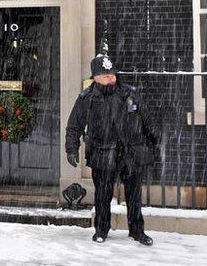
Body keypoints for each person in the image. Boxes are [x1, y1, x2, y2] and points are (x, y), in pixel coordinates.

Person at [65, 53, 159, 245]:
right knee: (102, 195)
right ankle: (101, 229)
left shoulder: (129, 94)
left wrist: (154, 142)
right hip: (102, 151)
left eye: (112, 74)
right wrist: (71, 148)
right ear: (95, 77)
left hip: (130, 152)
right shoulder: (87, 98)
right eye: (106, 75)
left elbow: (147, 119)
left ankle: (137, 231)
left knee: (134, 195)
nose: (110, 78)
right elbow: (74, 125)